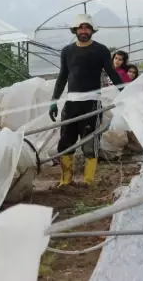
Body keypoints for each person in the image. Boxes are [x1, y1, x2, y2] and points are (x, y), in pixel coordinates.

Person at [48, 14, 123, 187]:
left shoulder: (101, 50)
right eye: (80, 28)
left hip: (92, 103)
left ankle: (88, 181)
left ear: (92, 30)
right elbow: (62, 77)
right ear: (75, 30)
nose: (84, 31)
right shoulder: (67, 51)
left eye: (87, 27)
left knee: (90, 142)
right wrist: (54, 101)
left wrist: (125, 93)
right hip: (72, 103)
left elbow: (112, 73)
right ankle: (66, 180)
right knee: (66, 142)